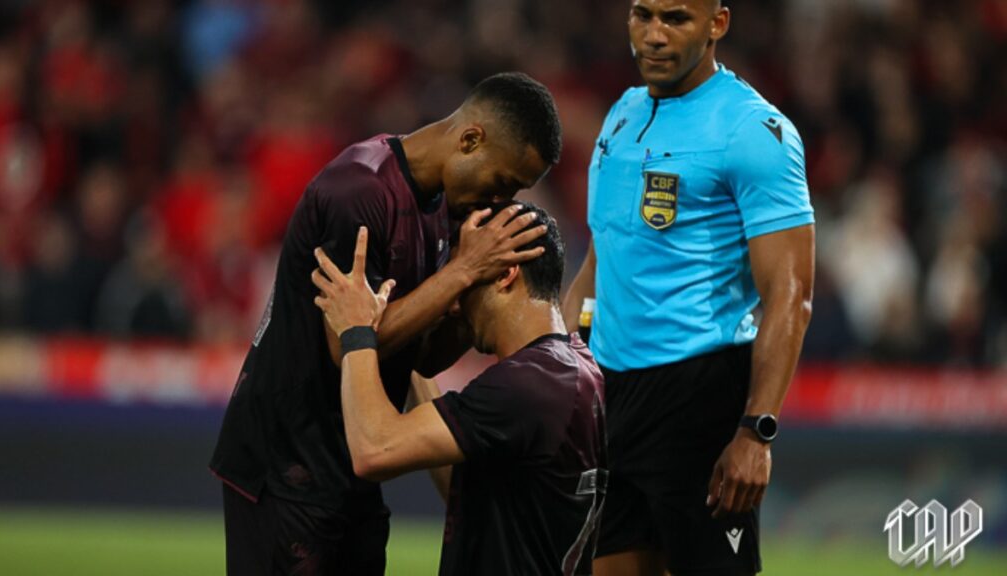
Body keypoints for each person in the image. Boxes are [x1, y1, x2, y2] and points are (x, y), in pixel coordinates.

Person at [209, 72, 563, 575]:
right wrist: (463, 270)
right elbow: (346, 343)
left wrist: (467, 306)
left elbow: (418, 357)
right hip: (285, 469)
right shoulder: (357, 190)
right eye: (503, 182)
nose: (499, 201)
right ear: (470, 140)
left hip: (349, 469)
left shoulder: (442, 207)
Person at [562, 1, 815, 575]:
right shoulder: (623, 114)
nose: (653, 35)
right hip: (610, 396)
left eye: (675, 18)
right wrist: (558, 366)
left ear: (717, 24)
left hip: (697, 397)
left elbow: (790, 294)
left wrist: (757, 431)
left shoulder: (754, 131)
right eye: (642, 14)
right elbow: (601, 256)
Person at [311, 202, 608, 575]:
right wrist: (402, 353)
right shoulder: (574, 367)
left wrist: (357, 330)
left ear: (505, 274)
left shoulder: (528, 384)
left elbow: (374, 450)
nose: (453, 304)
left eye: (465, 277)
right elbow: (473, 485)